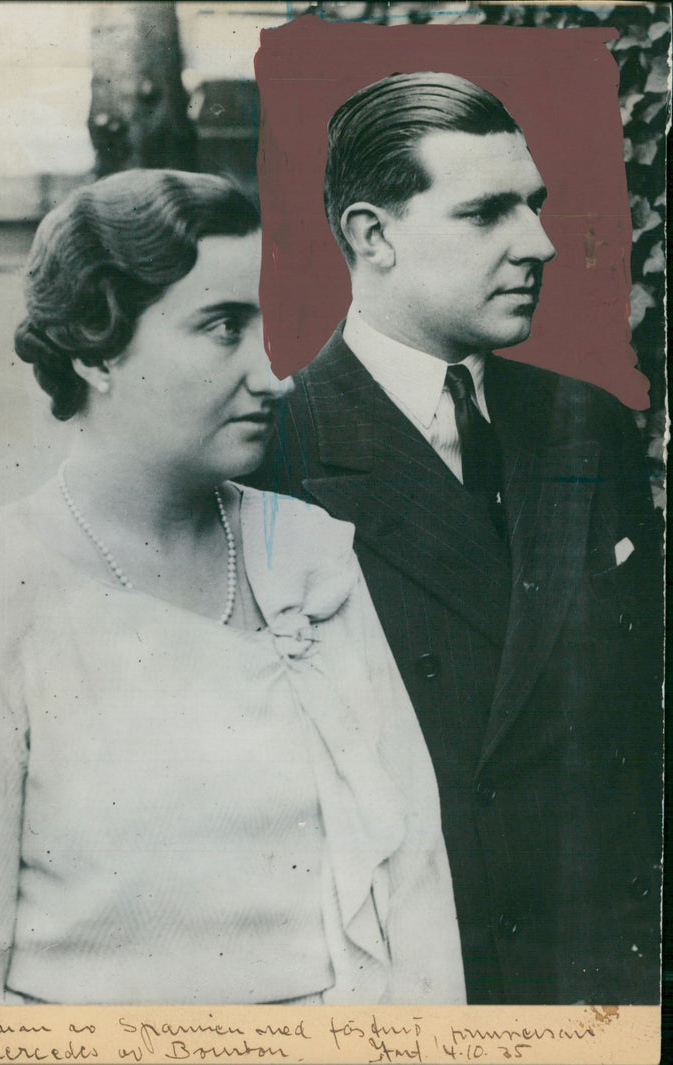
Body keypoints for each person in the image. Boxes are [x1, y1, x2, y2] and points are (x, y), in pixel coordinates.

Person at [0, 169, 465, 1006]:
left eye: (263, 325)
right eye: (220, 327)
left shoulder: (306, 554)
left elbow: (415, 896)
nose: (271, 375)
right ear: (97, 347)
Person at [250, 72, 663, 1005]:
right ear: (372, 236)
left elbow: (636, 748)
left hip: (599, 980)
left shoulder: (584, 422)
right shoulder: (276, 449)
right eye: (488, 213)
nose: (542, 243)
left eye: (537, 206)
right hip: (416, 989)